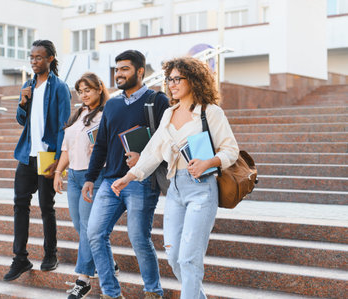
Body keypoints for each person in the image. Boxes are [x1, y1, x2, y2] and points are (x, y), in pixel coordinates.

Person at [111, 57, 239, 298]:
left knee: (190, 258)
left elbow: (231, 150)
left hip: (202, 189)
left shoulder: (210, 112)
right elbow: (153, 151)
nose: (171, 84)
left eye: (177, 78)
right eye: (169, 79)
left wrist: (209, 162)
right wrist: (128, 177)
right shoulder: (169, 113)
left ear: (194, 79)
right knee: (173, 256)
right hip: (175, 188)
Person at [81, 50, 169, 299]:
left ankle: (153, 291)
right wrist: (90, 177)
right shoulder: (112, 104)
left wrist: (144, 157)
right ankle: (111, 293)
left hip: (141, 181)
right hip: (110, 181)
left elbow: (167, 141)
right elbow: (102, 145)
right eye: (116, 69)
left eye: (125, 69)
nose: (118, 74)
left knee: (139, 238)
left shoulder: (157, 101)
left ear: (140, 72)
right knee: (95, 233)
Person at [4, 39, 71, 281]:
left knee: (46, 207)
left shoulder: (60, 88)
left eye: (39, 57)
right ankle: (20, 258)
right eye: (32, 57)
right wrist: (23, 102)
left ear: (50, 59)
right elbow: (22, 121)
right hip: (26, 155)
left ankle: (50, 254)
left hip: (47, 156)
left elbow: (64, 125)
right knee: (20, 205)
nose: (34, 61)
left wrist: (59, 161)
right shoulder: (27, 85)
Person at [53, 72, 111, 298]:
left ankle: (83, 279)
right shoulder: (78, 114)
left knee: (87, 227)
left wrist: (100, 152)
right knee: (80, 225)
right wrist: (59, 172)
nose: (84, 95)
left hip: (92, 176)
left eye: (88, 90)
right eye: (81, 91)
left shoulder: (106, 114)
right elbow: (66, 149)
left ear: (99, 89)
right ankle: (108, 262)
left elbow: (113, 145)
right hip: (74, 177)